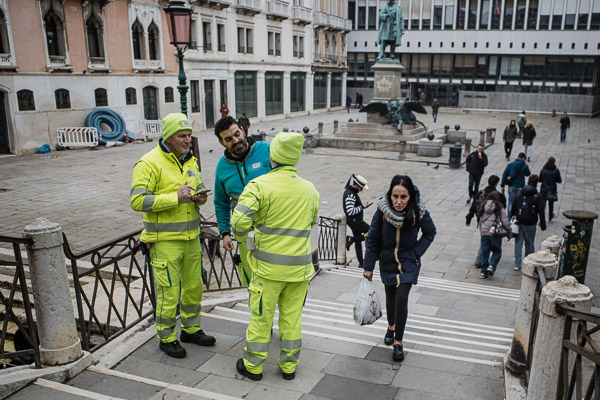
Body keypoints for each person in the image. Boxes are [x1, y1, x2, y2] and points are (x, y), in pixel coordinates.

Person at [232, 131, 319, 381]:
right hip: (299, 271)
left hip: (268, 271)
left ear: (273, 157)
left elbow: (238, 222)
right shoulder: (310, 190)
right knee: (292, 319)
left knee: (261, 318)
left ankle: (253, 366)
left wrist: (245, 236)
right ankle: (289, 367)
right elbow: (311, 221)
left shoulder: (259, 186)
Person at [130, 113, 216, 358]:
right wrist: (174, 198)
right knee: (169, 291)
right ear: (168, 137)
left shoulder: (189, 160)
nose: (188, 140)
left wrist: (201, 196)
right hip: (164, 242)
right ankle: (166, 337)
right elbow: (137, 201)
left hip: (191, 238)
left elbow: (196, 188)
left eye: (189, 135)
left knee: (193, 287)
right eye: (182, 136)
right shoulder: (148, 163)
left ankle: (190, 329)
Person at [362, 175, 436, 362]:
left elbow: (430, 232)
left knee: (401, 298)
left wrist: (416, 253)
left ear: (410, 196)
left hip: (408, 261)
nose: (399, 201)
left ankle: (398, 342)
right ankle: (391, 326)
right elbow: (373, 239)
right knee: (391, 298)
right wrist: (368, 266)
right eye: (395, 196)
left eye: (403, 197)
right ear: (390, 195)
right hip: (387, 261)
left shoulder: (419, 211)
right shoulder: (382, 211)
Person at [214, 116, 271, 287]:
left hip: (273, 232)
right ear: (222, 143)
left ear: (243, 130)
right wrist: (224, 233)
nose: (236, 140)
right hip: (246, 236)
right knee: (252, 282)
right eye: (228, 139)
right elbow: (221, 203)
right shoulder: (221, 167)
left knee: (275, 280)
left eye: (237, 134)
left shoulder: (267, 150)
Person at [465, 175, 506, 268]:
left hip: (481, 220)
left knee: (484, 239)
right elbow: (504, 206)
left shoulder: (481, 193)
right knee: (488, 241)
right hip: (494, 222)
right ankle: (480, 260)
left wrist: (469, 218)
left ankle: (480, 259)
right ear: (496, 184)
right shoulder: (498, 195)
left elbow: (474, 206)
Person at [512, 175, 546, 271]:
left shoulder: (519, 193)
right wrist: (543, 224)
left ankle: (517, 263)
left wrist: (512, 218)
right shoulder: (537, 195)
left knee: (518, 242)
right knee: (530, 242)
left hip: (519, 221)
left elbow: (514, 205)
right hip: (531, 222)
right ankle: (529, 261)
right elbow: (541, 211)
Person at [479, 191, 512, 279]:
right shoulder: (500, 208)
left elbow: (480, 220)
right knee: (497, 251)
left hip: (484, 232)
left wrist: (482, 231)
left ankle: (483, 272)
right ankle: (492, 266)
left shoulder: (484, 206)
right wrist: (509, 232)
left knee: (485, 252)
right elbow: (505, 221)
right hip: (495, 233)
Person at [343, 174, 372, 268]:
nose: (362, 190)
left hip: (355, 221)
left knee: (358, 242)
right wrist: (362, 207)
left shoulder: (351, 192)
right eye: (361, 188)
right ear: (357, 186)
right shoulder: (350, 194)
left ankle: (361, 262)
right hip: (356, 221)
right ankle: (351, 239)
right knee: (372, 232)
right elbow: (350, 211)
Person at [501, 152, 531, 218]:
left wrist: (502, 185)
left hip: (511, 186)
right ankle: (518, 216)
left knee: (511, 202)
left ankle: (509, 217)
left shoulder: (510, 164)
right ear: (523, 158)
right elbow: (528, 174)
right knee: (519, 203)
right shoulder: (524, 165)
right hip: (520, 187)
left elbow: (504, 175)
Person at [539, 156, 562, 222]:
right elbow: (559, 180)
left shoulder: (543, 170)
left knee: (543, 205)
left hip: (543, 189)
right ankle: (550, 215)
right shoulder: (556, 170)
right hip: (552, 189)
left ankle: (542, 219)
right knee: (551, 204)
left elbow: (540, 180)